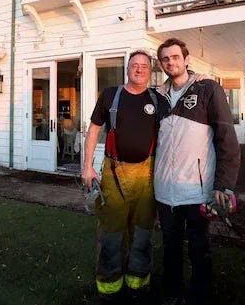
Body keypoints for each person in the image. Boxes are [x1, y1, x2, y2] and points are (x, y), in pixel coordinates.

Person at [153, 38, 241, 305]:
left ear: (186, 59)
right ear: (161, 63)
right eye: (166, 59)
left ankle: (201, 295)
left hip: (197, 189)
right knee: (170, 248)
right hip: (165, 190)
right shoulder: (157, 97)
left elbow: (226, 138)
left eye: (175, 57)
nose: (171, 62)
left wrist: (224, 185)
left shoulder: (208, 89)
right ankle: (173, 293)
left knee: (200, 248)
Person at [82, 50, 168, 304]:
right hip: (113, 173)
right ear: (127, 69)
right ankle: (109, 286)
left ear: (150, 71)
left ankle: (138, 282)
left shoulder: (158, 99)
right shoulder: (110, 95)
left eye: (144, 66)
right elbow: (94, 129)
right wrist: (87, 165)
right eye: (134, 65)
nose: (139, 69)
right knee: (111, 231)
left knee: (142, 231)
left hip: (147, 175)